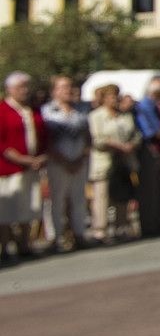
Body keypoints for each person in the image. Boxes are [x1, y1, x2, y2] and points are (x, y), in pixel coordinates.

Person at [41, 76, 92, 250]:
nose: (68, 90)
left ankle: (79, 234)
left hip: (79, 162)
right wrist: (63, 160)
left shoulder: (81, 111)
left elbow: (87, 137)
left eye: (70, 86)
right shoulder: (47, 112)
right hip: (58, 163)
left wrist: (81, 158)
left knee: (78, 199)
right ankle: (56, 237)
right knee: (57, 200)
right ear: (54, 91)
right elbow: (45, 141)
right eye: (63, 87)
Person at [0, 72, 46, 261]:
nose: (25, 91)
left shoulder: (32, 110)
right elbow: (2, 143)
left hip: (32, 167)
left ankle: (25, 244)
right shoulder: (3, 110)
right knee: (6, 209)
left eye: (26, 87)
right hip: (9, 168)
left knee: (29, 205)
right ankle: (5, 246)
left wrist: (40, 157)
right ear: (9, 89)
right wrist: (21, 159)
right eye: (20, 87)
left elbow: (43, 135)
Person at [88, 84, 140, 241]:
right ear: (103, 99)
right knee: (102, 196)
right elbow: (97, 139)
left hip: (123, 162)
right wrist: (116, 145)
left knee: (122, 195)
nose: (114, 99)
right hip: (105, 161)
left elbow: (136, 134)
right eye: (111, 96)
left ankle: (121, 227)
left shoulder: (125, 116)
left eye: (116, 96)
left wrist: (131, 144)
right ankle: (100, 230)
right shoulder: (96, 116)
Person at [133, 79, 160, 236]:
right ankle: (149, 226)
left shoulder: (154, 106)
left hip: (158, 151)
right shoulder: (145, 106)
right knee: (149, 191)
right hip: (149, 150)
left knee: (159, 190)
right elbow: (154, 131)